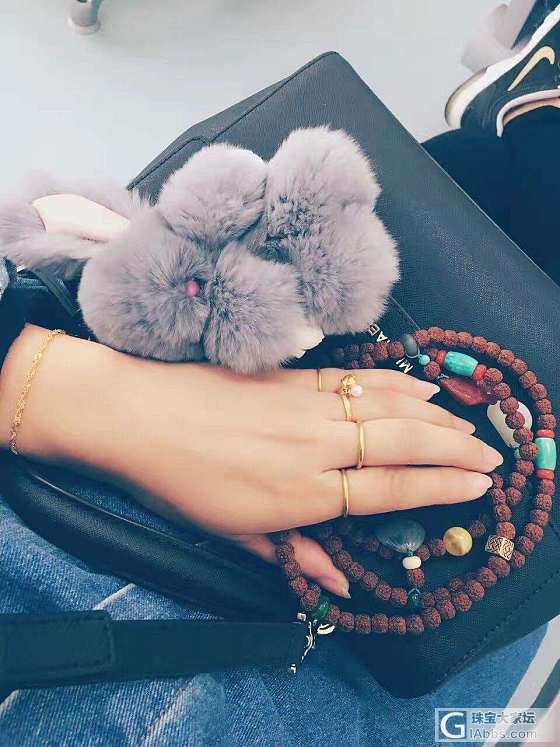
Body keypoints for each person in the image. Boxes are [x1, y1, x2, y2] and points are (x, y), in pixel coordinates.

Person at [0, 7, 559, 744]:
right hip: (359, 653)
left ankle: (528, 118)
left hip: (90, 450)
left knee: (443, 228)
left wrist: (49, 388)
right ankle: (529, 114)